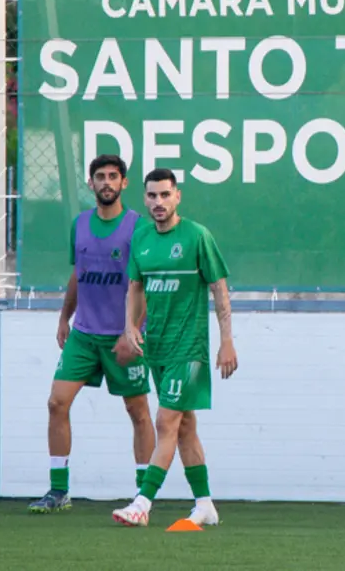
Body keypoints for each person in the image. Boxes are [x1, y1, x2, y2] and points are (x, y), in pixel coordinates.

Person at [111, 168, 238, 527]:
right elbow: (135, 287)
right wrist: (130, 326)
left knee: (166, 421)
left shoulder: (198, 236)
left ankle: (143, 502)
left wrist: (227, 341)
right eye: (152, 196)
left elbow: (220, 289)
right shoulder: (142, 238)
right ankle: (205, 506)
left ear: (177, 196)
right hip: (158, 348)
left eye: (165, 195)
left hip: (190, 348)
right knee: (185, 427)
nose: (158, 202)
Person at [28, 154, 155, 514]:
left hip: (123, 337)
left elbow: (142, 283)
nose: (106, 182)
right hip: (84, 334)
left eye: (113, 176)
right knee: (57, 403)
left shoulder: (137, 227)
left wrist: (132, 331)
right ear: (91, 183)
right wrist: (63, 318)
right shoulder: (80, 224)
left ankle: (143, 497)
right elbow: (77, 275)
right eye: (100, 176)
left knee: (138, 411)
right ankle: (58, 491)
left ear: (124, 183)